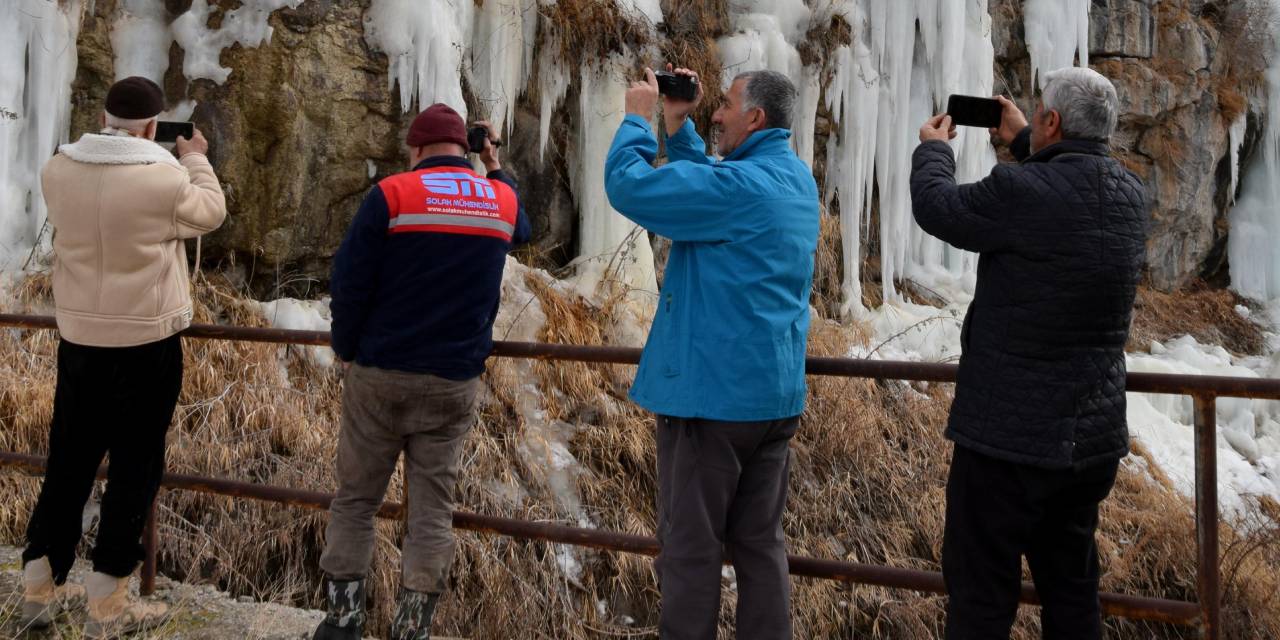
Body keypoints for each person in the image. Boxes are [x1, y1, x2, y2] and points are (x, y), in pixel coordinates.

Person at [911, 67, 1148, 639]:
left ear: (1054, 121)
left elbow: (939, 209)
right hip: (1086, 445)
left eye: (1041, 114)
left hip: (1005, 445)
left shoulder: (1018, 191)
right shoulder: (1131, 196)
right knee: (1071, 593)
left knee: (981, 597)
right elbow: (1067, 188)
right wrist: (1024, 138)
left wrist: (934, 152)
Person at [604, 66, 820, 639]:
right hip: (773, 403)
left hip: (713, 404)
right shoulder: (796, 180)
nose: (716, 114)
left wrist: (637, 118)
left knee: (691, 551)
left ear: (755, 117)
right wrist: (680, 131)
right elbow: (715, 193)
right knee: (759, 546)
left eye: (724, 106)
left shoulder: (738, 189)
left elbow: (629, 186)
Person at [313, 103, 530, 640]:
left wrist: (346, 347)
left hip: (381, 373)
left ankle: (342, 621)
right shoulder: (498, 200)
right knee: (433, 510)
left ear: (414, 149)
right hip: (453, 381)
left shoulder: (393, 194)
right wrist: (494, 163)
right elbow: (523, 230)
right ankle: (412, 629)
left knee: (358, 499)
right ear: (467, 148)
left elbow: (350, 278)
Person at [21, 76, 227, 638]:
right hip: (145, 343)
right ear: (155, 127)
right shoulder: (163, 176)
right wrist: (196, 161)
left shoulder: (58, 169)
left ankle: (39, 582)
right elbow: (209, 212)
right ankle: (108, 602)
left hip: (80, 340)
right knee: (135, 467)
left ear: (105, 116)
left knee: (69, 460)